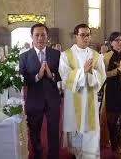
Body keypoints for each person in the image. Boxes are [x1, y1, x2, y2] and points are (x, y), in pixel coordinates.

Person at [59, 24, 106, 159]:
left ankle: (90, 156)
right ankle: (77, 154)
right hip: (73, 99)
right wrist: (82, 72)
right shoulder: (65, 55)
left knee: (91, 131)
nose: (86, 38)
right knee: (75, 131)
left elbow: (102, 76)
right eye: (82, 35)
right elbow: (65, 76)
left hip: (90, 98)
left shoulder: (96, 56)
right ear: (75, 37)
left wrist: (91, 74)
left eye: (88, 35)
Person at [19, 23, 61, 159]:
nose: (40, 38)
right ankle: (37, 155)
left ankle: (53, 156)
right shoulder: (24, 56)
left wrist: (51, 75)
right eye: (37, 35)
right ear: (32, 37)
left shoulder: (57, 54)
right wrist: (37, 76)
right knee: (35, 132)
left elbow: (63, 75)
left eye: (43, 35)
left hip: (53, 98)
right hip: (34, 99)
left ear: (47, 37)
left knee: (54, 131)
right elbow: (22, 78)